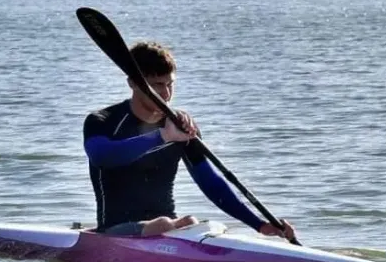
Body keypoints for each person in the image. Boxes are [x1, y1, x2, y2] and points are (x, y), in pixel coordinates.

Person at [83, 41, 296, 239]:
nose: (166, 94)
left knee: (193, 222)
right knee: (164, 224)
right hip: (114, 230)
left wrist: (259, 225)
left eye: (170, 84)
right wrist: (163, 136)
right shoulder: (103, 121)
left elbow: (211, 183)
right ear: (133, 83)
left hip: (170, 229)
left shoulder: (181, 126)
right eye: (157, 85)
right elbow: (103, 157)